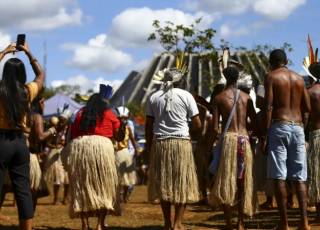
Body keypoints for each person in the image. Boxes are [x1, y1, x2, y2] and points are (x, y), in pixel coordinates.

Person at [61, 85, 125, 230]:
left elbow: (71, 135)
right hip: (103, 148)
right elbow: (119, 137)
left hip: (81, 148)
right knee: (104, 187)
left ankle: (85, 224)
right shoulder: (108, 113)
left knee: (82, 186)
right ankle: (99, 225)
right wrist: (122, 125)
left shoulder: (80, 113)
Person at [146, 68, 202, 230]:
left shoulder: (154, 97)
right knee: (182, 183)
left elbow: (149, 125)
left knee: (164, 183)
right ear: (181, 81)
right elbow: (197, 124)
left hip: (160, 144)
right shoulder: (187, 96)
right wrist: (191, 131)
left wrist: (150, 147)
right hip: (181, 143)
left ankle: (167, 222)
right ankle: (178, 223)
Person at [264, 49, 311, 230]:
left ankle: (284, 224)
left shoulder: (271, 77)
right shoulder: (299, 78)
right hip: (298, 126)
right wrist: (301, 127)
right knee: (300, 177)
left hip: (279, 125)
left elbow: (268, 107)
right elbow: (307, 109)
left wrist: (265, 134)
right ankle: (305, 223)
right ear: (286, 61)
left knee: (279, 176)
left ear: (271, 62)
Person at [0, 42, 45, 230]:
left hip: (1, 141)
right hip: (20, 143)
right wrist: (28, 52)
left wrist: (3, 52)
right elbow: (41, 75)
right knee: (23, 190)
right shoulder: (27, 91)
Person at [209, 67, 256, 230]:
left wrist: (211, 144)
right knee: (242, 182)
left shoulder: (218, 98)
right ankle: (241, 223)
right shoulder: (246, 97)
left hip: (228, 139)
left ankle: (229, 223)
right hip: (244, 139)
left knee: (226, 181)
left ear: (224, 77)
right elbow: (255, 124)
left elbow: (215, 128)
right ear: (238, 78)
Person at [28, 96, 56, 210]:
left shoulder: (23, 114)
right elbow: (40, 136)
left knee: (7, 187)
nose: (44, 105)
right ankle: (27, 223)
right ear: (39, 103)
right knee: (33, 190)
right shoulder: (37, 116)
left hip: (19, 154)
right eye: (43, 102)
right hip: (31, 156)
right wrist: (52, 130)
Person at [114, 106, 138, 203]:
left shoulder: (128, 128)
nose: (123, 120)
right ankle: (119, 195)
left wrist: (136, 149)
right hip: (115, 153)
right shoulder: (114, 128)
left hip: (125, 152)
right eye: (121, 118)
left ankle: (125, 195)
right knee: (118, 176)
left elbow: (132, 139)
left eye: (124, 118)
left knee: (127, 177)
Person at [306, 62, 320, 216]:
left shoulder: (309, 92)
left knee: (317, 173)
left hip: (316, 134)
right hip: (315, 135)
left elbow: (305, 115)